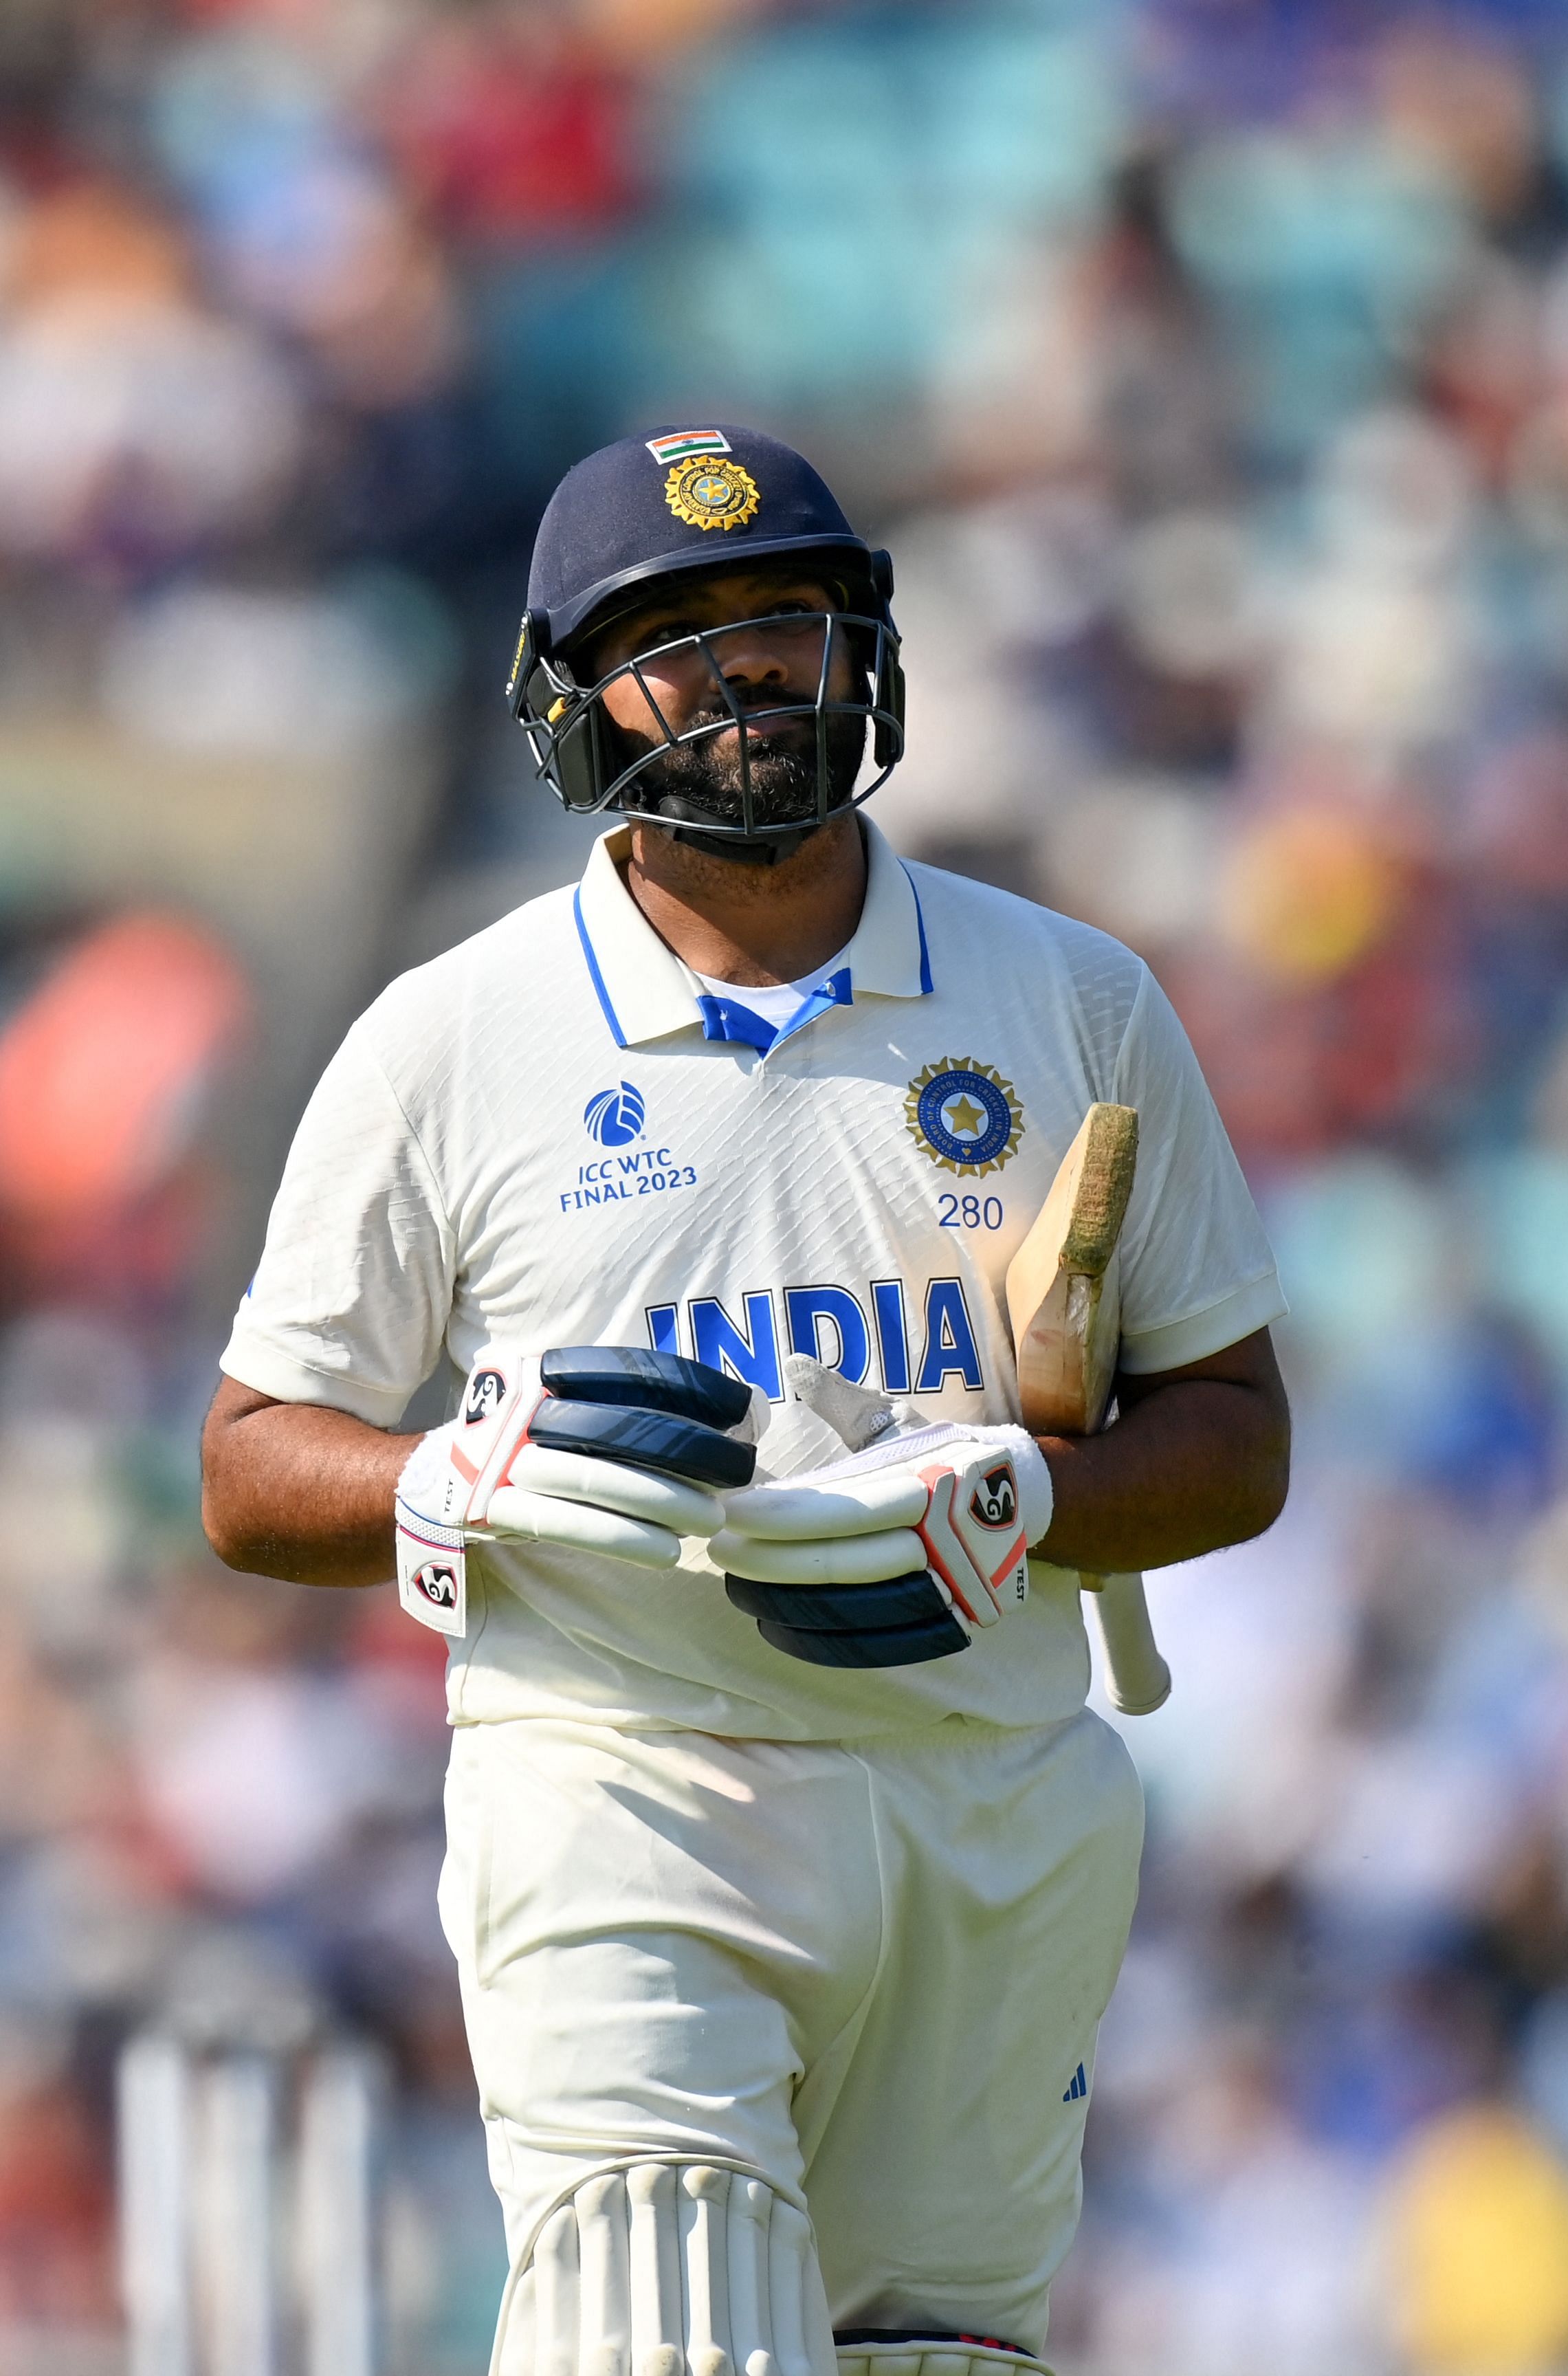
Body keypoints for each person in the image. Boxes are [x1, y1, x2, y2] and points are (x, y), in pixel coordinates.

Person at [201, 424, 1290, 2376]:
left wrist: (1029, 1502)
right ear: (570, 702)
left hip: (991, 1791)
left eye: (778, 621)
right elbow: (247, 1466)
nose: (739, 677)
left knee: (926, 2357)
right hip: (627, 1770)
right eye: (669, 640)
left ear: (858, 648)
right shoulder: (449, 1039)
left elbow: (1233, 1432)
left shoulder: (1072, 997)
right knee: (660, 2314)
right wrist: (459, 1481)